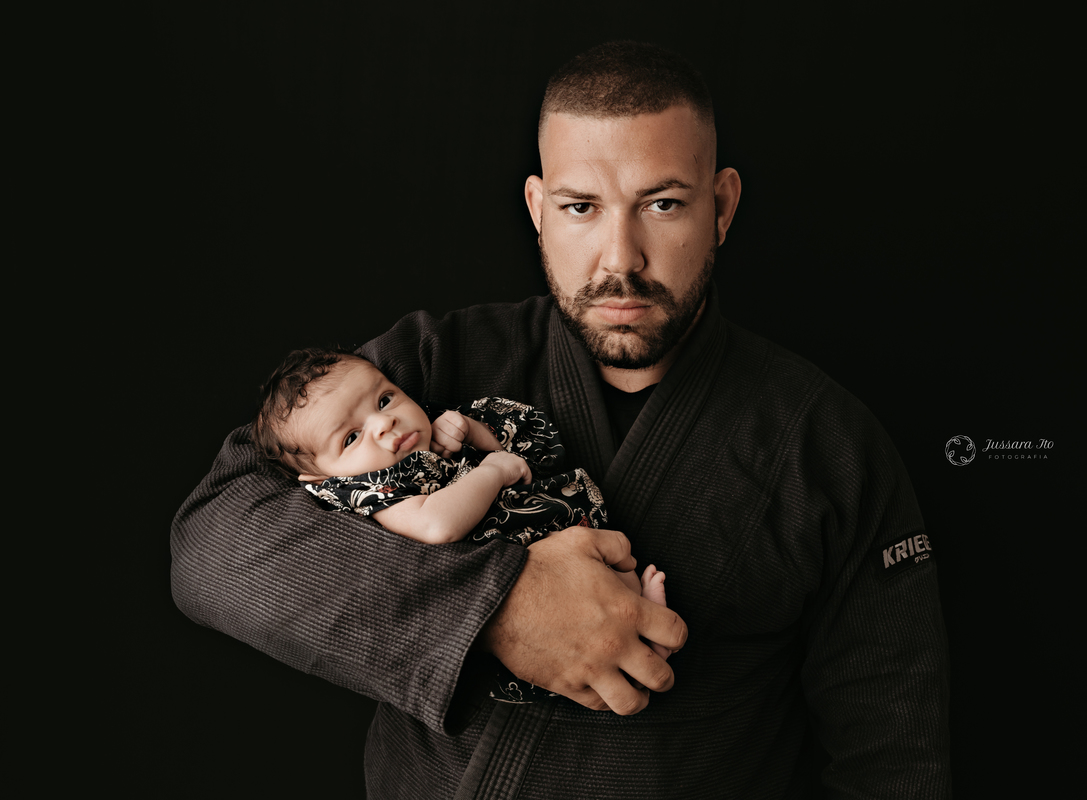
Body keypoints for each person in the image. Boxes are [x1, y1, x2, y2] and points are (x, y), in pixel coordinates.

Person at [172, 40, 951, 798]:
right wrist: (500, 608)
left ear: (721, 207)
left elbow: (894, 754)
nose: (621, 258)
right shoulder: (429, 368)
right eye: (581, 208)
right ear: (538, 210)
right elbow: (212, 541)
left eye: (664, 204)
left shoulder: (826, 443)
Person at [250, 347, 671, 686]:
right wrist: (492, 472)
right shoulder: (374, 491)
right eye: (352, 437)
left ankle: (642, 617)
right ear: (321, 478)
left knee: (609, 587)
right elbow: (438, 524)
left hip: (560, 533)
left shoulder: (428, 434)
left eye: (384, 399)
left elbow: (513, 452)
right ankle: (643, 642)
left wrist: (471, 430)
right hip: (517, 583)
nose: (384, 422)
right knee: (591, 616)